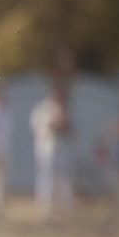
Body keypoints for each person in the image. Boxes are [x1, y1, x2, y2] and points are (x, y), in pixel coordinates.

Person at [30, 88, 74, 217]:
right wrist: (54, 124)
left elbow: (69, 129)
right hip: (45, 148)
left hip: (61, 148)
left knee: (63, 177)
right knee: (45, 178)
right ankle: (45, 207)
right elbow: (38, 127)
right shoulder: (41, 109)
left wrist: (62, 123)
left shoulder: (64, 109)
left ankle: (65, 207)